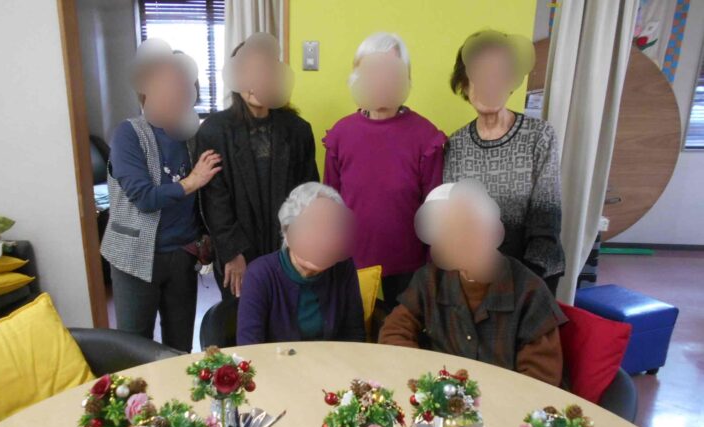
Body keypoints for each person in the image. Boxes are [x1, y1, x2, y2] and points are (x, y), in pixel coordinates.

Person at [379, 180, 566, 386]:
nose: (461, 241)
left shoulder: (530, 291)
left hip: (504, 399)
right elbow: (395, 331)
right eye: (449, 233)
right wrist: (426, 380)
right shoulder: (430, 279)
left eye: (470, 229)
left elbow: (540, 379)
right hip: (439, 396)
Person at [101, 40, 222, 352]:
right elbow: (144, 198)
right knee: (134, 345)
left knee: (179, 346)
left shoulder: (191, 136)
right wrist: (191, 182)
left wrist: (205, 237)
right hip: (135, 256)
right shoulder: (128, 134)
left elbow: (208, 196)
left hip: (182, 255)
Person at [323, 32, 446, 310]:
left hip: (409, 266)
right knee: (352, 333)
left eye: (391, 72)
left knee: (401, 333)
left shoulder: (425, 135)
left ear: (405, 78)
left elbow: (435, 209)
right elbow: (330, 202)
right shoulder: (341, 133)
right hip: (350, 261)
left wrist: (433, 269)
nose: (381, 80)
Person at [195, 33, 319, 301]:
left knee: (287, 318)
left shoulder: (298, 131)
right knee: (242, 320)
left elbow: (308, 193)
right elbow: (214, 199)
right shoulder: (214, 131)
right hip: (239, 253)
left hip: (288, 250)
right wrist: (232, 252)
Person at [444, 30, 565, 295]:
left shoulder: (539, 135)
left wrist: (520, 282)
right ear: (464, 85)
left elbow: (547, 218)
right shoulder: (456, 144)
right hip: (475, 274)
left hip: (532, 274)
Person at [237, 182, 365, 345]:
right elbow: (249, 346)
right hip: (275, 361)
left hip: (332, 360)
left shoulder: (343, 267)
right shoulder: (259, 275)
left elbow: (354, 336)